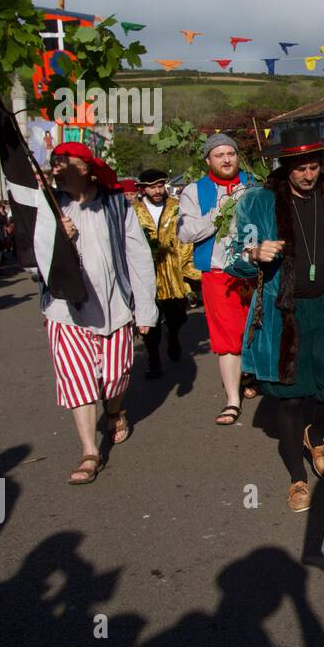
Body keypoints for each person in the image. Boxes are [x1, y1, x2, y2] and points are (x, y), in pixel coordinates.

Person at [226, 123, 324, 512]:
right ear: (286, 165)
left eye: (315, 165)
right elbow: (234, 259)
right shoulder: (258, 202)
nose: (309, 174)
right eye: (301, 167)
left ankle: (314, 432)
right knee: (290, 399)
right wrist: (253, 255)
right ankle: (296, 478)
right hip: (282, 309)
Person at [41, 143, 158, 484]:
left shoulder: (116, 205)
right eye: (54, 163)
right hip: (65, 311)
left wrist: (146, 310)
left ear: (87, 168)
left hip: (115, 307)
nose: (57, 169)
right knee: (79, 382)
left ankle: (114, 409)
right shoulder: (50, 208)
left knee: (115, 375)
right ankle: (89, 451)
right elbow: (34, 263)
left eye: (64, 162)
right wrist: (58, 240)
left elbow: (138, 258)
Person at [178, 134, 260, 426]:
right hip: (218, 273)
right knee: (227, 339)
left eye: (231, 153)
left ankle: (252, 375)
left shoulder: (253, 184)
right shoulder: (195, 191)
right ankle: (232, 399)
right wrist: (218, 213)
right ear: (208, 160)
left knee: (255, 328)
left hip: (253, 269)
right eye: (219, 155)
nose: (226, 159)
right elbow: (185, 233)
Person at [134, 169, 193, 379]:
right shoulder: (133, 211)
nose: (157, 190)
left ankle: (174, 335)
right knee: (150, 319)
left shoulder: (176, 207)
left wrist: (187, 268)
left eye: (160, 185)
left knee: (177, 316)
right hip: (146, 272)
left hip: (172, 271)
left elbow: (186, 237)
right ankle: (154, 359)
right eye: (152, 186)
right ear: (142, 189)